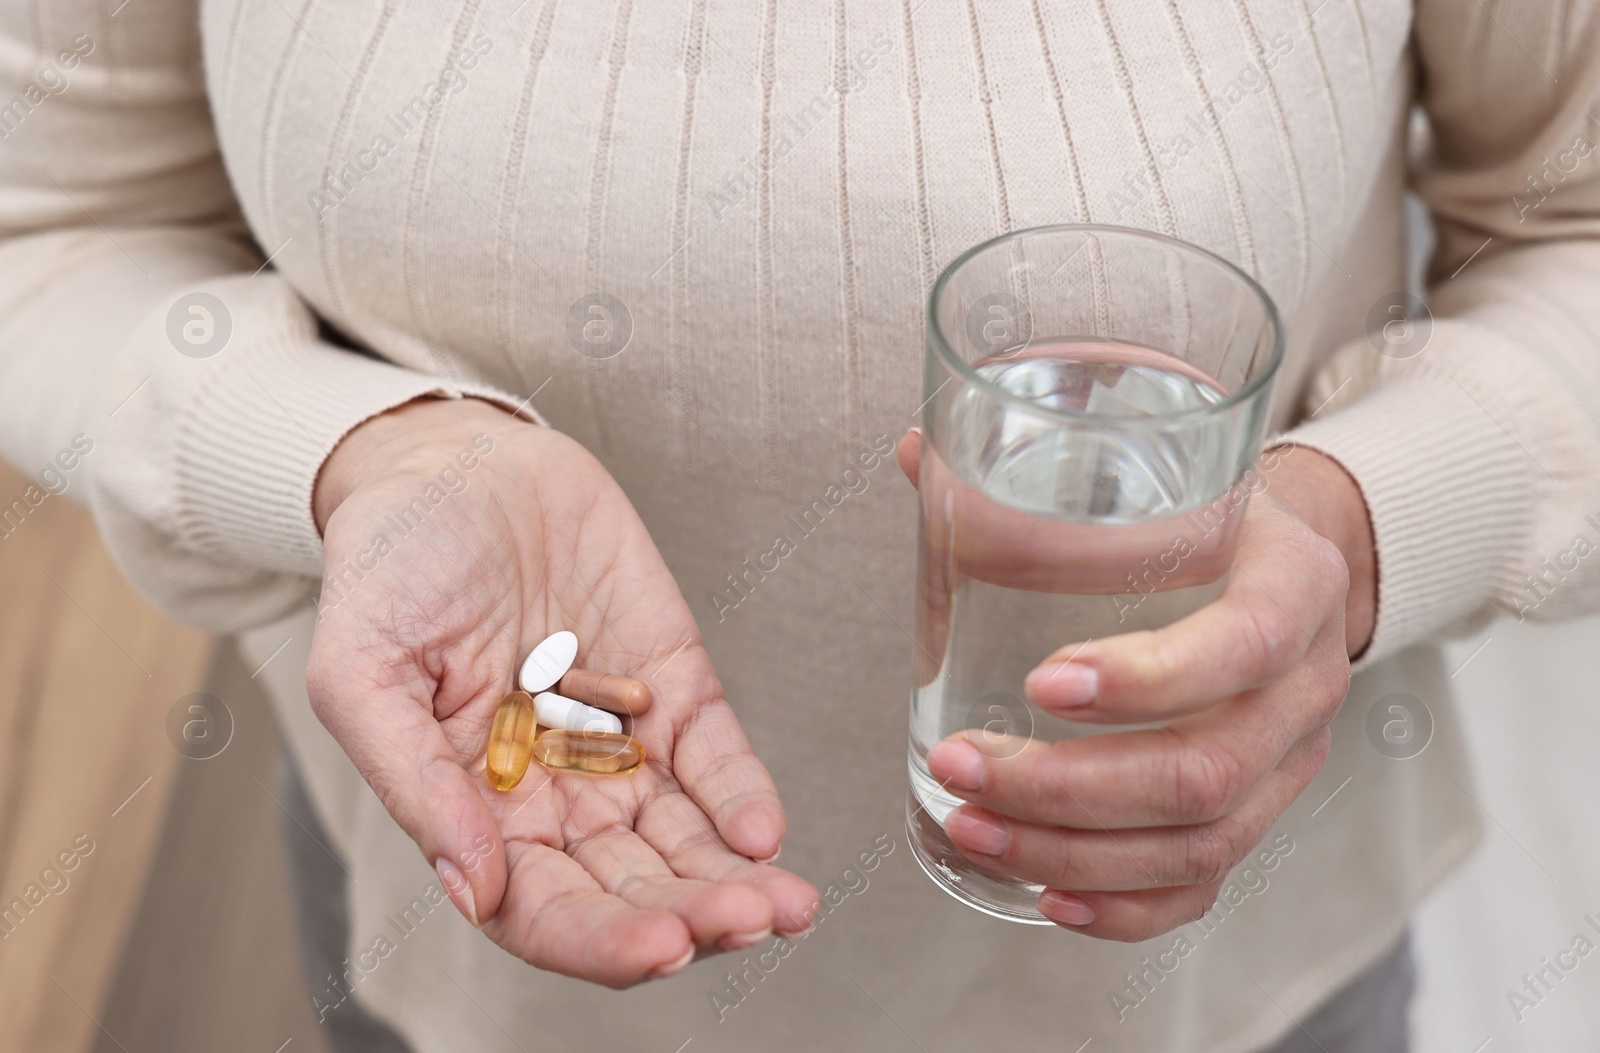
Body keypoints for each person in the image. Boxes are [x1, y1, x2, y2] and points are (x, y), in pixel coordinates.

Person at [2, 1, 1597, 1050]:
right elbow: (53, 223)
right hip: (472, 943)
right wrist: (354, 456)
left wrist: (1371, 523)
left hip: (1218, 994)